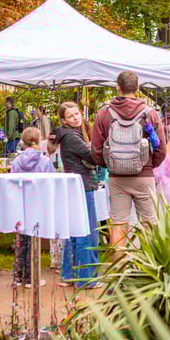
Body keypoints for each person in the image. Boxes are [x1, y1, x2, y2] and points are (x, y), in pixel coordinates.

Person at [92, 71, 167, 262]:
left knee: (118, 225)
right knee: (149, 224)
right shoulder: (149, 113)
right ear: (138, 88)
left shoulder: (104, 113)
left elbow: (96, 149)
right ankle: (150, 271)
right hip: (144, 176)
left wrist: (110, 165)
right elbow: (161, 148)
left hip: (117, 178)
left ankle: (119, 273)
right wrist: (148, 166)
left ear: (118, 87)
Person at [49, 102, 100, 289]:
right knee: (87, 232)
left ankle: (69, 275)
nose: (76, 118)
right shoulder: (72, 137)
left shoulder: (67, 135)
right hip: (82, 185)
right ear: (64, 120)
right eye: (71, 116)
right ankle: (86, 278)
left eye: (77, 114)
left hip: (74, 186)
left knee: (72, 232)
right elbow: (92, 157)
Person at [9, 127, 55, 287]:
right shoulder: (45, 161)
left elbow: (11, 182)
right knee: (34, 238)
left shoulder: (16, 161)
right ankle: (32, 277)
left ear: (22, 141)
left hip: (21, 202)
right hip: (38, 203)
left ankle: (18, 276)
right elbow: (52, 182)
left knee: (21, 239)